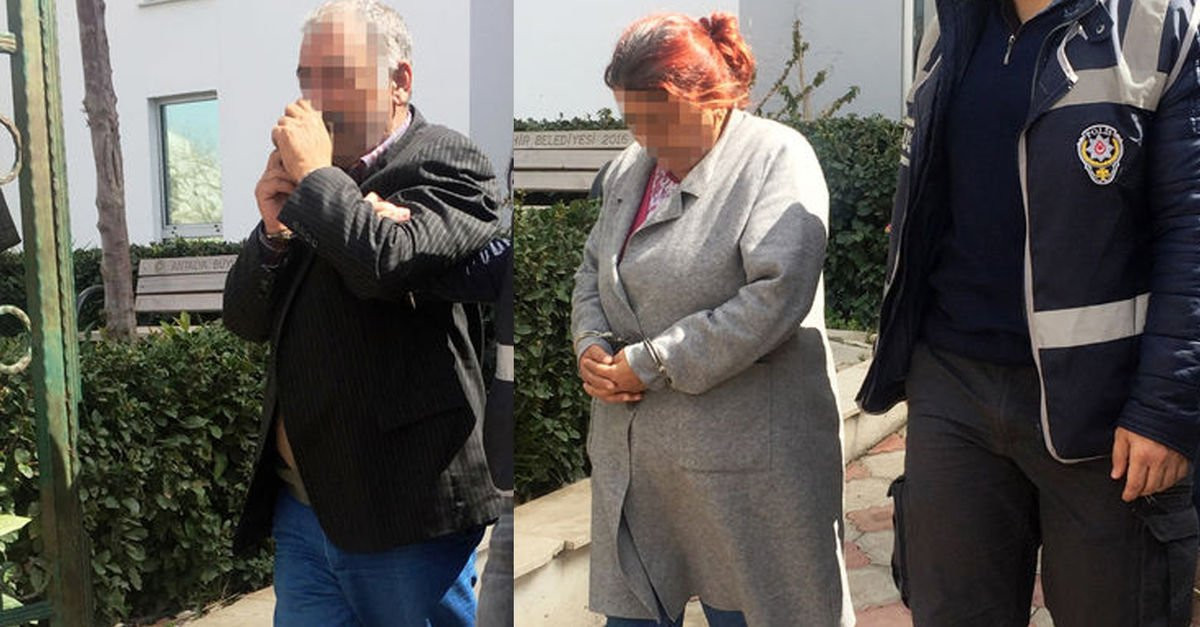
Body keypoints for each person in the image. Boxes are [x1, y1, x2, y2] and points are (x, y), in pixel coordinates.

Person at [857, 0, 1200, 625]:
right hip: (953, 388)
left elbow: (1191, 228)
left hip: (1106, 414)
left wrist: (1166, 409)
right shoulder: (951, 25)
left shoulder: (1162, 26)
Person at [221, 1, 503, 624]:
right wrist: (272, 234)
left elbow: (385, 265)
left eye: (337, 75)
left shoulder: (447, 161)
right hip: (305, 510)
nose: (317, 99)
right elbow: (244, 319)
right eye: (307, 78)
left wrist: (318, 180)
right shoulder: (317, 181)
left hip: (405, 514)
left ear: (399, 80)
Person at [571, 12, 852, 627]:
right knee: (635, 613)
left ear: (710, 99)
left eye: (658, 119)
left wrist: (652, 362)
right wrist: (590, 341)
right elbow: (593, 268)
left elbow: (778, 294)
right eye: (632, 120)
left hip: (746, 468)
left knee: (754, 611)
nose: (645, 138)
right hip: (642, 468)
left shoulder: (776, 157)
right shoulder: (630, 171)